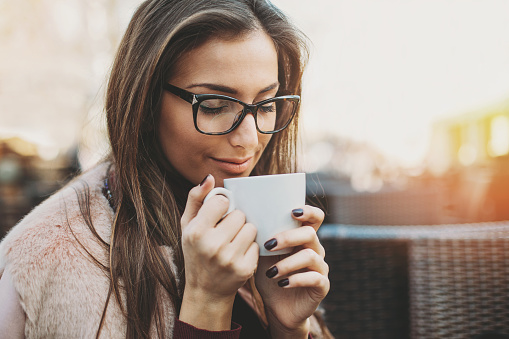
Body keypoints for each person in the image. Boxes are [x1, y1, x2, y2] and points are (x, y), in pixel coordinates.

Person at [0, 0, 331, 338]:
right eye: (215, 106)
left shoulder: (261, 222)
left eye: (266, 104)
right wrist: (207, 301)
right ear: (146, 100)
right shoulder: (53, 262)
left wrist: (289, 327)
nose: (249, 139)